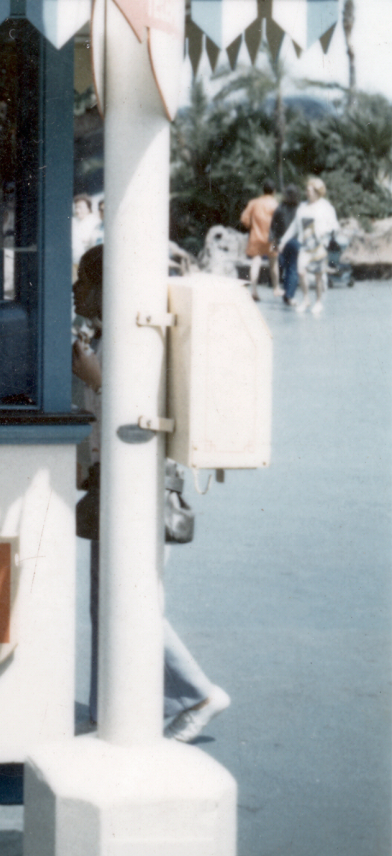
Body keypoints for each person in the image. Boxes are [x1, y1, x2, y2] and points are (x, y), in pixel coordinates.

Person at [71, 246, 231, 740]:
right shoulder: (108, 335)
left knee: (130, 598)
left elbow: (135, 409)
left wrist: (91, 374)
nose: (75, 290)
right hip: (110, 481)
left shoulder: (136, 339)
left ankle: (200, 692)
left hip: (139, 486)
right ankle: (106, 710)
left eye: (83, 281)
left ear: (104, 287)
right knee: (108, 600)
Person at [280, 176, 339, 316]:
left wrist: (325, 232)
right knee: (301, 271)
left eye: (310, 190)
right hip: (304, 245)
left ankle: (318, 302)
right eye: (306, 190)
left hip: (318, 245)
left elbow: (334, 226)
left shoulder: (326, 207)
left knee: (318, 276)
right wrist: (283, 241)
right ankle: (306, 299)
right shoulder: (302, 207)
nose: (307, 193)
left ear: (318, 192)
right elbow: (294, 226)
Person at [239, 178, 279, 301]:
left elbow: (244, 219)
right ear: (274, 191)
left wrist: (252, 226)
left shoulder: (254, 202)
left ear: (263, 190)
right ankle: (276, 288)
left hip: (256, 237)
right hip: (273, 239)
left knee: (255, 262)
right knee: (274, 263)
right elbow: (279, 222)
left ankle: (254, 290)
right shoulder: (275, 204)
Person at [269, 184, 300, 302]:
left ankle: (286, 291)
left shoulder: (280, 207)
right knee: (293, 268)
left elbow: (273, 226)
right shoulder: (300, 208)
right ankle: (289, 294)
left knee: (285, 267)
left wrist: (273, 241)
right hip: (295, 241)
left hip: (282, 242)